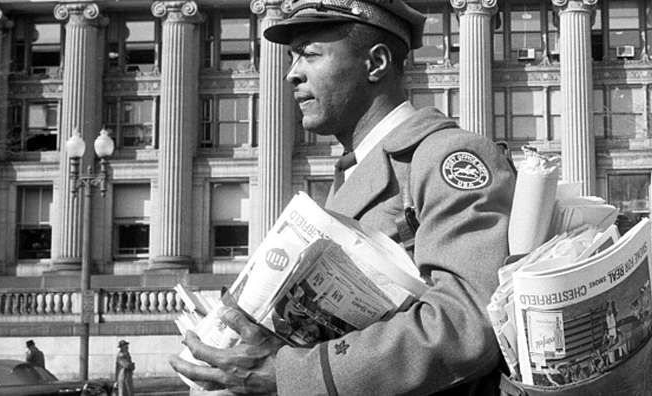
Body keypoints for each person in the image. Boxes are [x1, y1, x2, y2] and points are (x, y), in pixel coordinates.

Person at [169, 0, 516, 394]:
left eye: (310, 55)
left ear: (376, 63)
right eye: (292, 58)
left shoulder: (446, 156)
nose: (291, 74)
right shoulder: (350, 173)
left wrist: (289, 374)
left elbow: (467, 322)